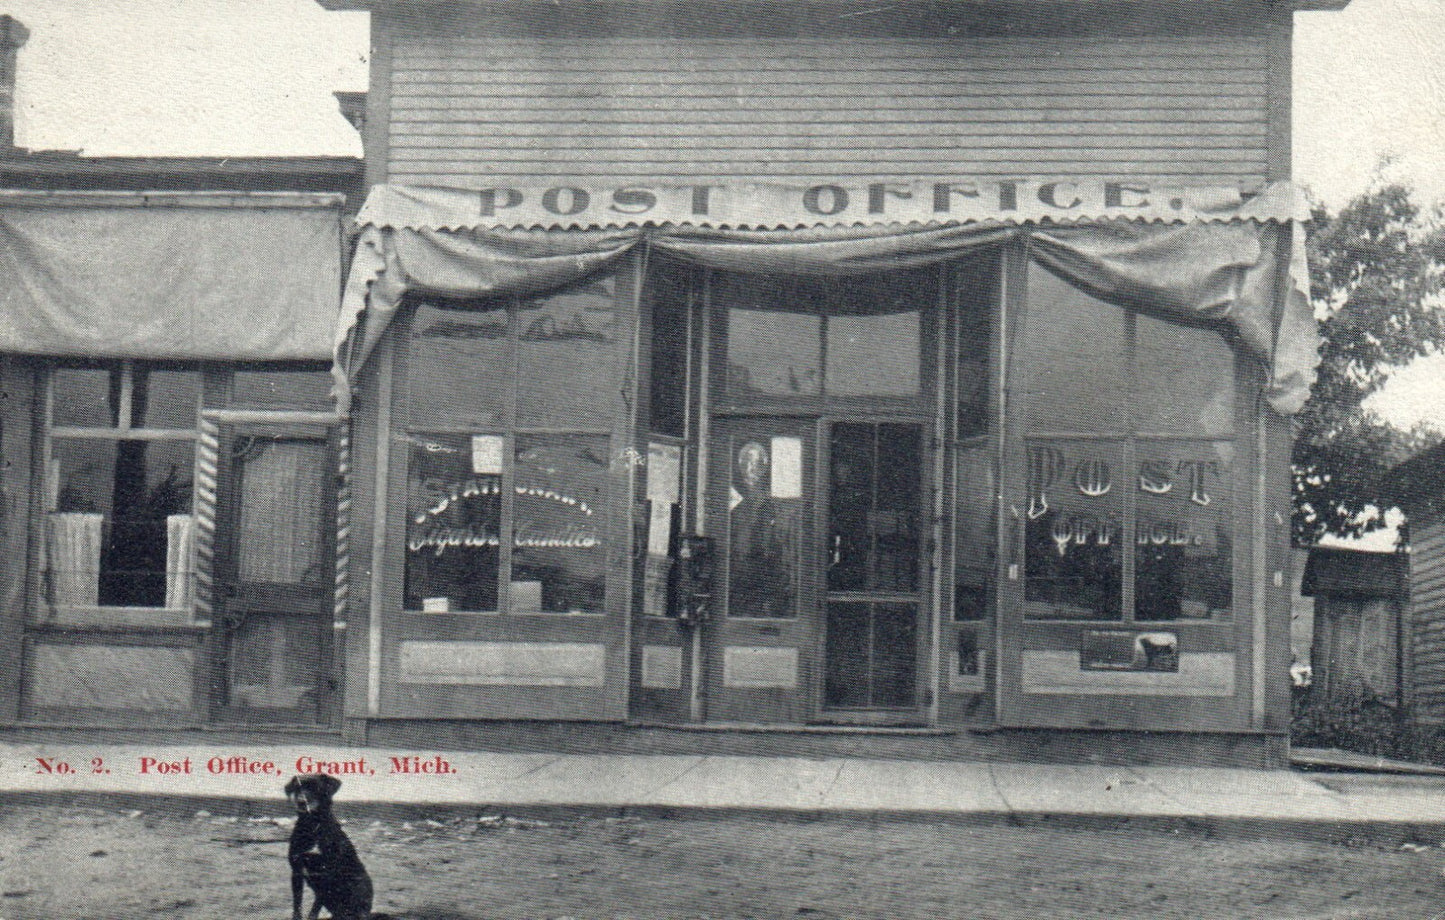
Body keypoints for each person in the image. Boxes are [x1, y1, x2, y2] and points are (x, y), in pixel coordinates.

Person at [727, 440, 794, 618]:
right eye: (746, 463)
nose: (751, 469)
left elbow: (781, 542)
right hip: (737, 575)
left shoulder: (772, 502)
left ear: (764, 468)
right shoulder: (730, 499)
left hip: (766, 575)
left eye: (756, 464)